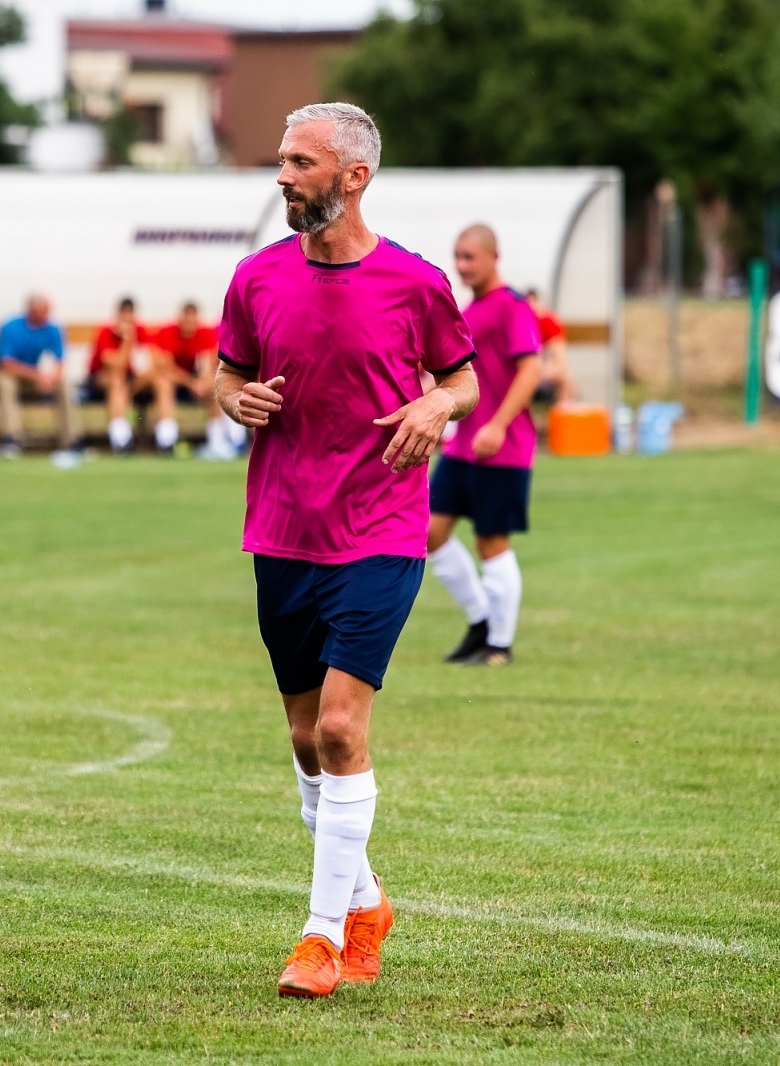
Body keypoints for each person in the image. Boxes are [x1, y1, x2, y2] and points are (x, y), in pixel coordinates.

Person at [215, 103, 479, 999]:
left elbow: (464, 375)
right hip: (281, 530)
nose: (282, 176)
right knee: (302, 736)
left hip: (381, 528)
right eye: (280, 160)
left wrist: (436, 406)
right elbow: (227, 369)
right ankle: (365, 899)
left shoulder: (415, 281)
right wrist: (234, 399)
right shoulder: (255, 278)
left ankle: (321, 937)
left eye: (299, 162)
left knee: (339, 727)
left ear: (353, 176)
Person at [426, 226, 542, 667]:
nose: (462, 266)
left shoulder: (513, 307)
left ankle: (500, 645)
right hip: (462, 448)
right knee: (429, 531)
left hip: (503, 447)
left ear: (495, 256)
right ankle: (480, 621)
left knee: (491, 541)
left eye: (470, 257)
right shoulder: (468, 311)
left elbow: (531, 372)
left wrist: (497, 424)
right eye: (457, 256)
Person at [153, 301, 247, 459]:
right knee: (163, 383)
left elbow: (206, 363)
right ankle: (167, 439)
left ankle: (217, 442)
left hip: (195, 384)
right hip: (177, 384)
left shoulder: (204, 333)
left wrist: (202, 382)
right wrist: (191, 383)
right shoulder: (168, 333)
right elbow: (166, 368)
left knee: (215, 384)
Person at [0, 294, 80, 455]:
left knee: (65, 383)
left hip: (37, 377)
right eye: (44, 310)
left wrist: (50, 377)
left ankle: (71, 439)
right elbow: (5, 363)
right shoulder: (10, 327)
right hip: (15, 376)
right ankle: (10, 437)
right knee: (5, 382)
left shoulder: (53, 329)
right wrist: (38, 376)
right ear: (31, 309)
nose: (48, 314)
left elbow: (60, 361)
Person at [89, 297, 177, 453]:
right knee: (116, 381)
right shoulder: (105, 332)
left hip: (130, 383)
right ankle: (121, 439)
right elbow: (115, 365)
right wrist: (127, 341)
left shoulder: (140, 330)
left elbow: (154, 362)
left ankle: (166, 438)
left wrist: (130, 390)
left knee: (163, 382)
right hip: (103, 380)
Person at [525, 288, 575, 405]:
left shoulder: (548, 323)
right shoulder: (518, 324)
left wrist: (548, 370)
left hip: (543, 371)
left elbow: (560, 359)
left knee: (565, 379)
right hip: (526, 372)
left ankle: (562, 415)